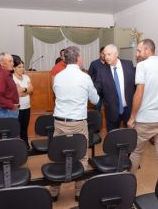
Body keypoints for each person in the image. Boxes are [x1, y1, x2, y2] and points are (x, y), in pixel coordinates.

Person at [52, 46, 99, 200]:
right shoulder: (84, 77)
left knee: (58, 155)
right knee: (82, 156)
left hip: (59, 122)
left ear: (65, 59)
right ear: (78, 58)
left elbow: (56, 94)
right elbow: (95, 100)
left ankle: (54, 192)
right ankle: (79, 192)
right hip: (78, 123)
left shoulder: (58, 76)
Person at [128, 39, 158, 174]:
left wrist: (132, 117)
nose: (137, 54)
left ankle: (126, 183)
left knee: (136, 152)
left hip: (145, 120)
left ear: (148, 50)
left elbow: (138, 94)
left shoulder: (142, 66)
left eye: (139, 50)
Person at [95, 44, 135, 132]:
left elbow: (135, 85)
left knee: (130, 138)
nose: (106, 57)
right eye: (105, 54)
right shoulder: (101, 70)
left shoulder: (128, 64)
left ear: (116, 54)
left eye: (109, 54)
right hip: (111, 111)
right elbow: (97, 88)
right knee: (112, 140)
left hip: (129, 110)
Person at [13, 58, 33, 148]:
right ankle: (18, 146)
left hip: (27, 106)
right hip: (17, 108)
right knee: (17, 128)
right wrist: (26, 90)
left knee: (25, 127)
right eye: (19, 67)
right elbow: (18, 93)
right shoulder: (12, 78)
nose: (22, 69)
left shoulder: (26, 77)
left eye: (23, 67)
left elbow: (31, 90)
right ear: (14, 68)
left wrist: (24, 90)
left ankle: (25, 144)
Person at [0, 52, 20, 117]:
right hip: (7, 112)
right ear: (1, 63)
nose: (13, 64)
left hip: (9, 111)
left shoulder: (7, 75)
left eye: (12, 61)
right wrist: (11, 105)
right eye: (10, 61)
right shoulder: (2, 76)